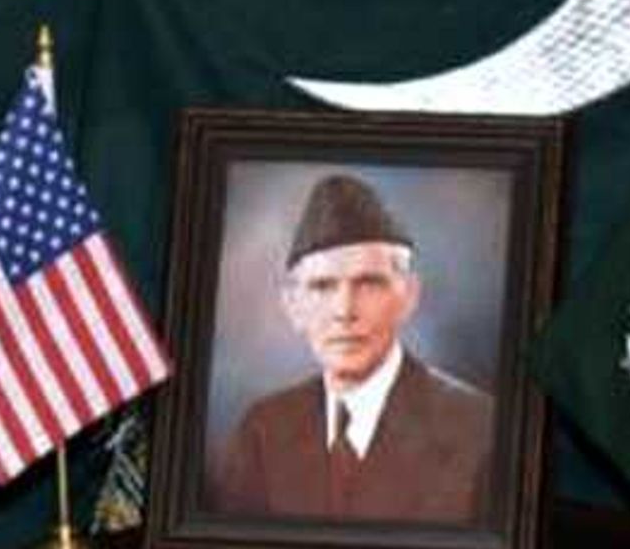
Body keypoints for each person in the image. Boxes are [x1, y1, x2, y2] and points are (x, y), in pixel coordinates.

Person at [209, 173, 496, 521]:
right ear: (293, 306)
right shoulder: (263, 430)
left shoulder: (479, 428)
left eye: (369, 283)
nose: (344, 311)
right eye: (322, 286)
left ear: (408, 296)